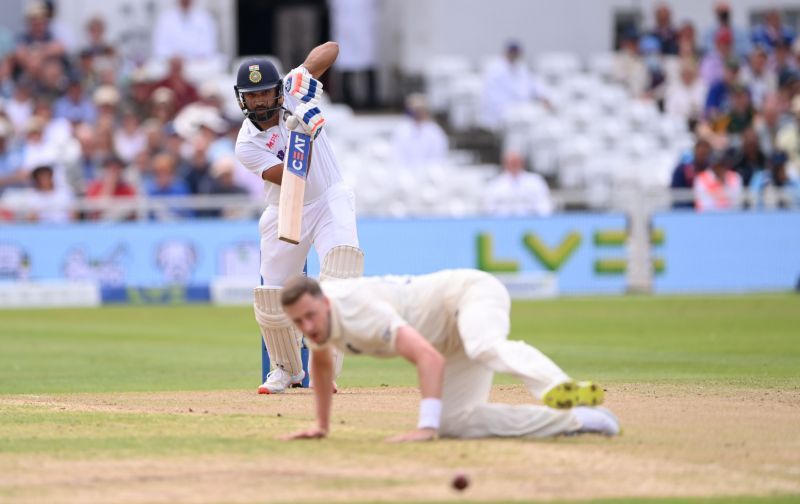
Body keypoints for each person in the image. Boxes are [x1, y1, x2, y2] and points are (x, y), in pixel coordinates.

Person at [279, 271, 618, 442]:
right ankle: (582, 420)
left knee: (483, 344)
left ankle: (558, 388)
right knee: (454, 423)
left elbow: (427, 358)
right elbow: (321, 366)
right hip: (446, 338)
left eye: (310, 316)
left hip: (469, 293)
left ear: (324, 303)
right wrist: (321, 426)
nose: (307, 326)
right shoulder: (320, 318)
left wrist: (425, 427)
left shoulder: (359, 312)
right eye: (298, 322)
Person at [233, 42, 364, 394]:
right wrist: (302, 134)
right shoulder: (246, 145)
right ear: (241, 99)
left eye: (265, 93)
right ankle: (285, 370)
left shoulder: (292, 91)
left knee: (341, 273)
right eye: (252, 96)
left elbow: (334, 49)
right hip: (286, 207)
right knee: (271, 294)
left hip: (328, 199)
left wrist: (301, 75)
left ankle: (323, 369)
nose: (260, 102)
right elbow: (293, 177)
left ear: (277, 90)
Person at [484, 151, 553, 217]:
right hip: (502, 223)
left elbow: (544, 204)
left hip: (530, 223)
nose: (514, 165)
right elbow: (489, 208)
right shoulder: (495, 184)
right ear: (505, 163)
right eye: (511, 162)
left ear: (522, 163)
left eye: (516, 162)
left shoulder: (535, 181)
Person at [391, 94, 448, 169]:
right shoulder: (402, 129)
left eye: (420, 110)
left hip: (428, 172)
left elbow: (439, 154)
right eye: (415, 110)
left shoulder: (434, 131)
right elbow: (397, 154)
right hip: (406, 173)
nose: (418, 113)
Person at [151, 0, 218, 61]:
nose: (185, 1)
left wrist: (192, 58)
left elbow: (208, 48)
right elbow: (160, 48)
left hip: (198, 65)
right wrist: (174, 58)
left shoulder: (204, 19)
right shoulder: (165, 19)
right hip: (172, 64)